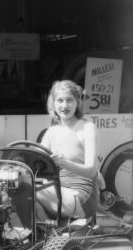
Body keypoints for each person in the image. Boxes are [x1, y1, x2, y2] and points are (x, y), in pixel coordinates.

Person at [37, 80, 98, 219]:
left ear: (78, 103)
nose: (64, 105)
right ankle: (48, 234)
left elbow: (91, 171)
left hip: (82, 197)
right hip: (58, 192)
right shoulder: (50, 132)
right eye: (60, 100)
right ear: (53, 104)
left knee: (26, 190)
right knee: (17, 189)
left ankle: (50, 234)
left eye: (69, 100)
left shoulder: (87, 128)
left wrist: (64, 163)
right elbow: (39, 167)